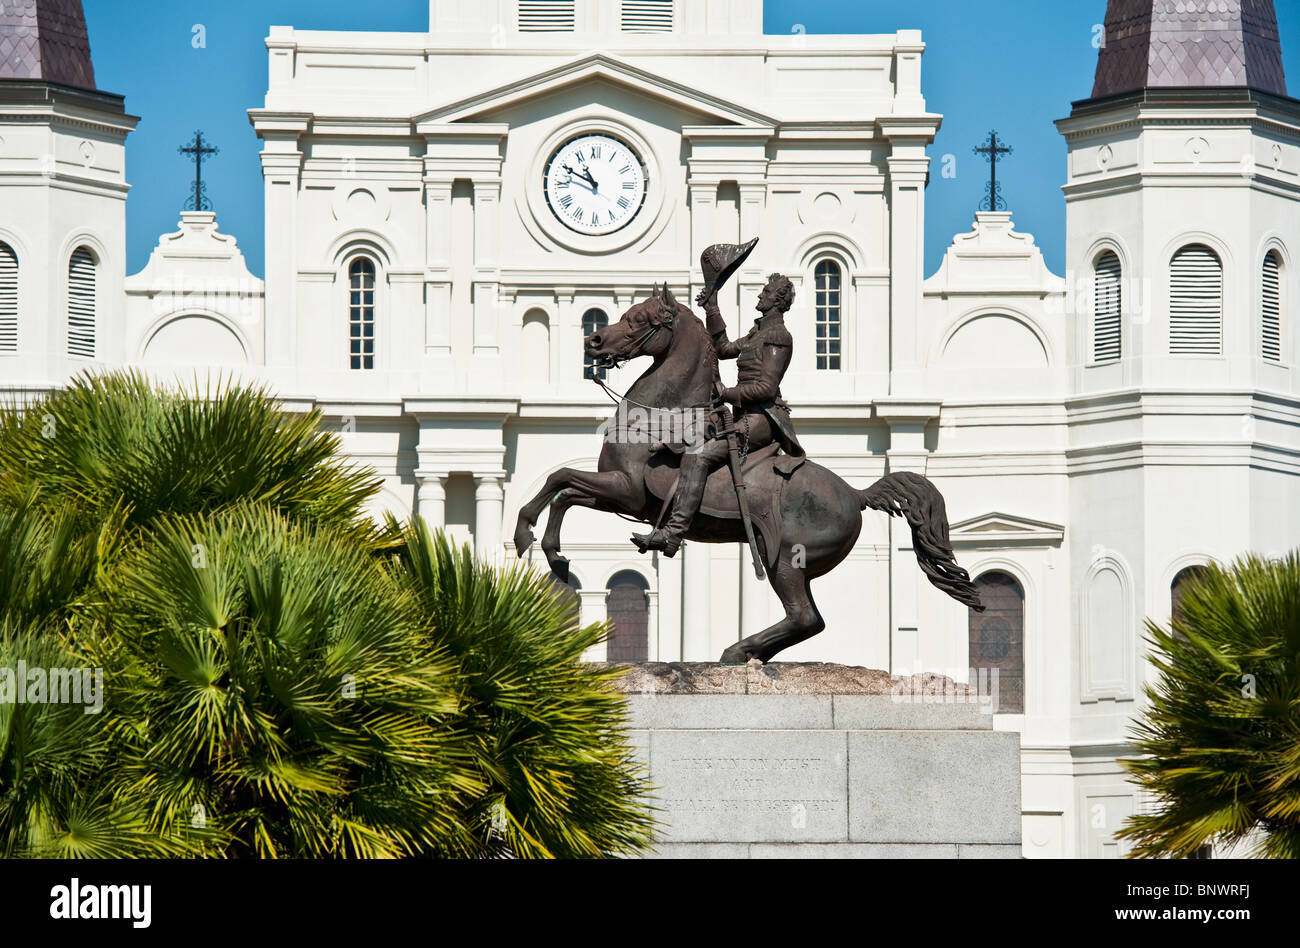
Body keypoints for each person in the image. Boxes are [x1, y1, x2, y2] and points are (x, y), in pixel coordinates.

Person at [633, 272, 805, 557]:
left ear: (778, 301)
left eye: (766, 292)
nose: (760, 295)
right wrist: (712, 307)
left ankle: (673, 534)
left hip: (762, 419)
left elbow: (765, 388)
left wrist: (726, 393)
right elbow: (723, 348)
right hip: (741, 415)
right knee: (692, 425)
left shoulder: (778, 337)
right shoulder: (757, 333)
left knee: (700, 456)